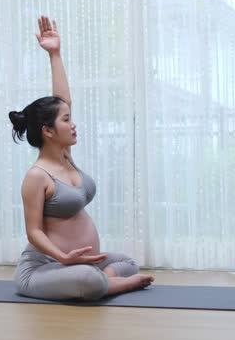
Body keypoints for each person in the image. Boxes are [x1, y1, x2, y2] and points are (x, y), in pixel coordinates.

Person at [8, 16, 154, 301]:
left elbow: (64, 100)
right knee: (88, 279)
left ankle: (103, 281)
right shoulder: (37, 176)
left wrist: (55, 54)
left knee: (127, 262)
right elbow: (34, 231)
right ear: (48, 131)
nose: (73, 124)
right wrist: (63, 257)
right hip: (45, 268)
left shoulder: (65, 157)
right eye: (66, 121)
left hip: (79, 261)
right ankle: (108, 285)